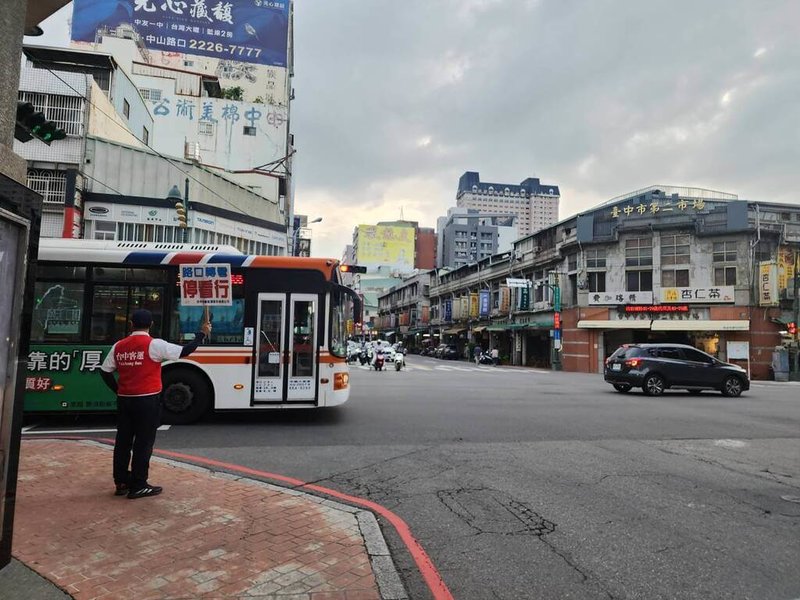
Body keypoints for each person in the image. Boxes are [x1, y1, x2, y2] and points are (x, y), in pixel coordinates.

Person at [100, 309, 211, 499]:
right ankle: (139, 485)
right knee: (143, 443)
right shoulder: (154, 345)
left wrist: (118, 390)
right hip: (147, 400)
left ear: (131, 324)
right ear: (151, 325)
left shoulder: (119, 346)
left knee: (123, 442)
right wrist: (202, 333)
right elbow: (185, 351)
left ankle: (121, 482)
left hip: (125, 400)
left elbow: (105, 371)